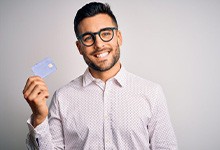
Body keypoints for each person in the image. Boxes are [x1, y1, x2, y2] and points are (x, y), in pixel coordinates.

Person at [23, 2, 178, 150]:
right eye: (89, 38)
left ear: (119, 38)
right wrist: (39, 117)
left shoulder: (152, 92)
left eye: (105, 33)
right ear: (79, 47)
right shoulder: (62, 98)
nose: (99, 44)